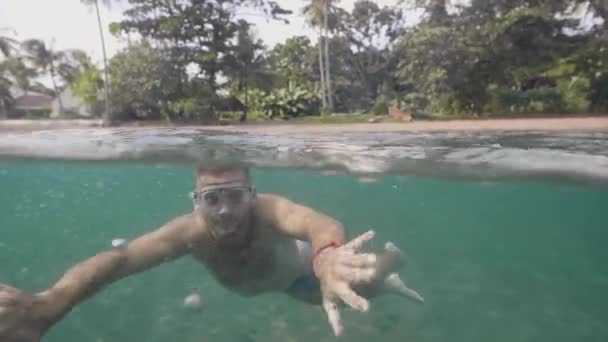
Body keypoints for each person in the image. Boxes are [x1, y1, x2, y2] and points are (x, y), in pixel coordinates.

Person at [0, 166, 424, 341]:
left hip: (299, 277)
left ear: (252, 195)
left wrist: (327, 256)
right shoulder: (187, 233)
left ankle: (387, 269)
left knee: (355, 286)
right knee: (357, 289)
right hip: (276, 287)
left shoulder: (270, 210)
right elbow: (121, 260)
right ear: (195, 201)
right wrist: (53, 301)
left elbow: (316, 223)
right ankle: (389, 274)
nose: (224, 211)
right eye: (211, 198)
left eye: (235, 197)